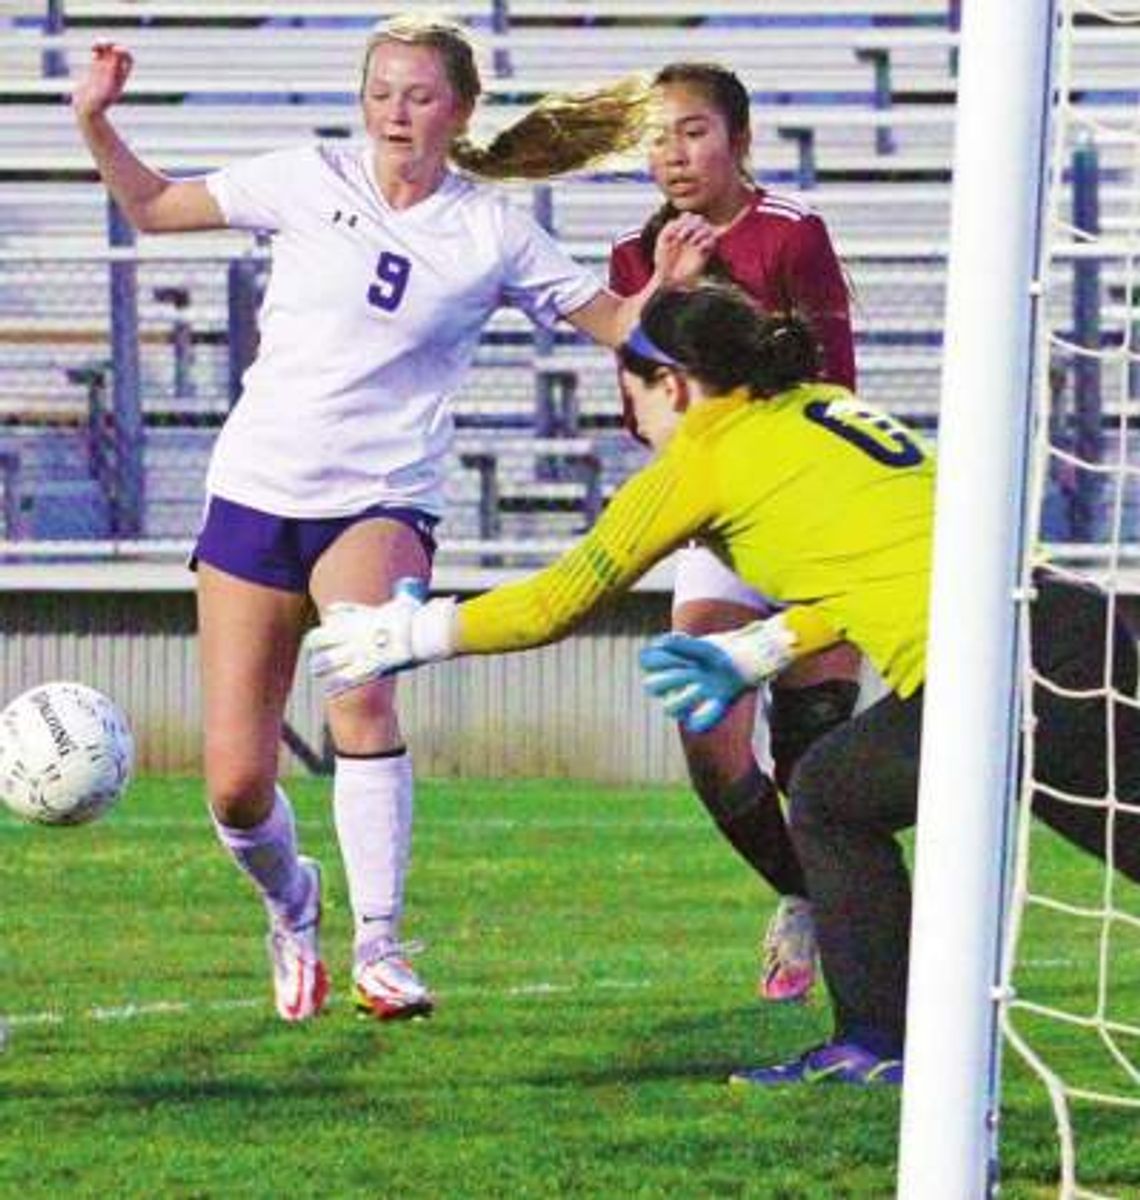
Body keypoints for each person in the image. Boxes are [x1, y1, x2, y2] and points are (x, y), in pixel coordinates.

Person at [304, 280, 1140, 1083]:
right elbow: (884, 570)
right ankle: (882, 1042)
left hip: (997, 663)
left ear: (669, 381)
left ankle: (879, 1045)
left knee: (831, 801)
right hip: (1070, 626)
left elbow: (555, 603)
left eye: (630, 385)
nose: (627, 408)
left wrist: (409, 631)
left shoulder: (704, 458)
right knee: (845, 791)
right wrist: (759, 650)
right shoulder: (819, 407)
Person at [71, 16, 715, 1024]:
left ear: (458, 110)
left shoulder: (490, 229)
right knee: (237, 787)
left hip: (381, 497)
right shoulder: (304, 176)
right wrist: (95, 121)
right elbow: (152, 207)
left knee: (359, 692)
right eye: (381, 92)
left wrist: (664, 292)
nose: (396, 112)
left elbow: (614, 326)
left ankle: (380, 943)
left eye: (418, 95)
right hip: (256, 489)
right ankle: (296, 906)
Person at [608, 62, 862, 1002]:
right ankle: (804, 890)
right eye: (658, 136)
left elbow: (836, 382)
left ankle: (864, 975)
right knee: (709, 744)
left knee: (816, 749)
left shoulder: (791, 235)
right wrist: (665, 296)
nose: (674, 153)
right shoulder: (634, 257)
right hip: (714, 527)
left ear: (739, 140)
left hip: (807, 514)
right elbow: (639, 413)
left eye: (695, 131)